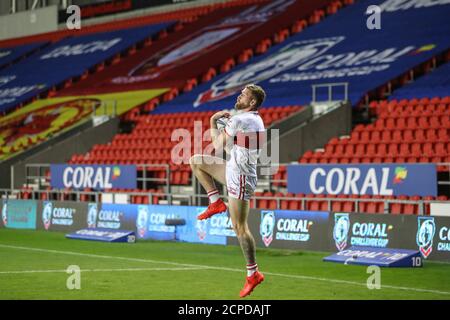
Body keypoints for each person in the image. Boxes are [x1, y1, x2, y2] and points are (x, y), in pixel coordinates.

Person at [189, 84, 266, 298]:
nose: (239, 95)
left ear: (252, 102)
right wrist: (216, 123)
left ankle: (253, 273)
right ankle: (215, 202)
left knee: (240, 227)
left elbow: (216, 145)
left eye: (244, 95)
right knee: (196, 161)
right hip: (233, 169)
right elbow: (225, 146)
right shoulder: (250, 120)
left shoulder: (241, 119)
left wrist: (215, 122)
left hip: (241, 177)